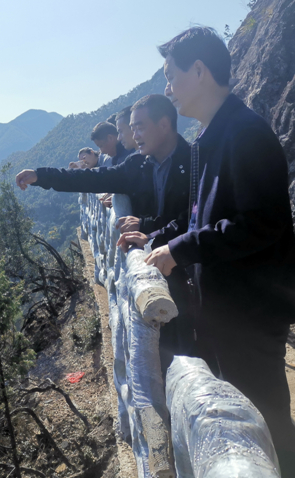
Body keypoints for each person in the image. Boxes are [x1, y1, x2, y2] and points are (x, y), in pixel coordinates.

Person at [118, 26, 295, 478]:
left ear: (200, 71)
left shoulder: (246, 134)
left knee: (268, 426)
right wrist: (157, 239)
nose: (168, 88)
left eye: (171, 75)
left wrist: (180, 249)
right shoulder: (213, 136)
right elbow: (198, 217)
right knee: (247, 421)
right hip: (227, 308)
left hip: (251, 310)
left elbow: (257, 224)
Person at [16, 94, 194, 367]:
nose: (133, 135)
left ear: (164, 124)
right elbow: (92, 178)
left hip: (188, 271)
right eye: (131, 128)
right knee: (162, 347)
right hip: (155, 267)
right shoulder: (139, 164)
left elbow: (192, 217)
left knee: (188, 351)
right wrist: (42, 176)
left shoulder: (193, 162)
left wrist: (148, 228)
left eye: (140, 127)